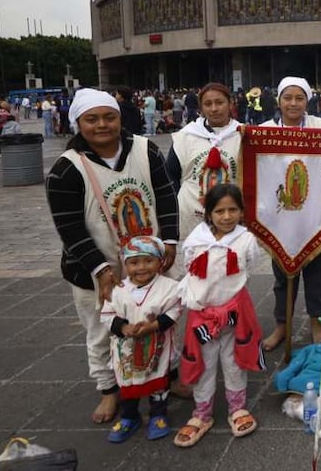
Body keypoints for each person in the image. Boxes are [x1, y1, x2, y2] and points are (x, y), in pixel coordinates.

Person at [45, 88, 179, 424]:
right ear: (78, 123)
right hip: (96, 268)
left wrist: (171, 240)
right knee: (103, 329)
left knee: (161, 321)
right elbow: (70, 227)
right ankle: (109, 390)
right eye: (92, 119)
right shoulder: (66, 169)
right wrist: (101, 270)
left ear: (121, 118)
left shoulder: (144, 149)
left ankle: (167, 378)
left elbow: (164, 196)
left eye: (109, 117)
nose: (102, 125)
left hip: (149, 264)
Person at [175, 183, 264, 447]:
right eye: (219, 211)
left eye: (233, 210)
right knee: (203, 365)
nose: (226, 216)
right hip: (202, 316)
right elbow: (189, 270)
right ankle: (202, 414)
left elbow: (250, 264)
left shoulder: (246, 240)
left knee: (234, 360)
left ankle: (237, 408)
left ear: (241, 211)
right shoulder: (195, 241)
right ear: (209, 213)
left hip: (235, 314)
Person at [259, 76, 321, 353]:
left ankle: (316, 321)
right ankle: (281, 325)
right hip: (280, 219)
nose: (293, 103)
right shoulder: (263, 131)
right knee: (282, 279)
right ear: (278, 101)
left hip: (315, 215)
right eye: (287, 98)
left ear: (307, 101)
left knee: (316, 277)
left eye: (299, 98)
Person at [100, 236, 182, 443]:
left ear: (160, 261)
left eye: (148, 260)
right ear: (125, 264)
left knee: (158, 382)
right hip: (125, 348)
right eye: (134, 262)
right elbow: (107, 315)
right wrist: (124, 327)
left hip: (157, 347)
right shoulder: (118, 290)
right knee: (127, 383)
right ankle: (129, 416)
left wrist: (153, 326)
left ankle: (158, 414)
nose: (141, 267)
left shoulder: (170, 287)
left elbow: (174, 311)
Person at [166, 83, 242, 245]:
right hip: (193, 217)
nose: (214, 109)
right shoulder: (185, 136)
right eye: (208, 104)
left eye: (219, 102)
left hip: (231, 218)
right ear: (201, 108)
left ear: (230, 104)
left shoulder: (244, 135)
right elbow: (171, 175)